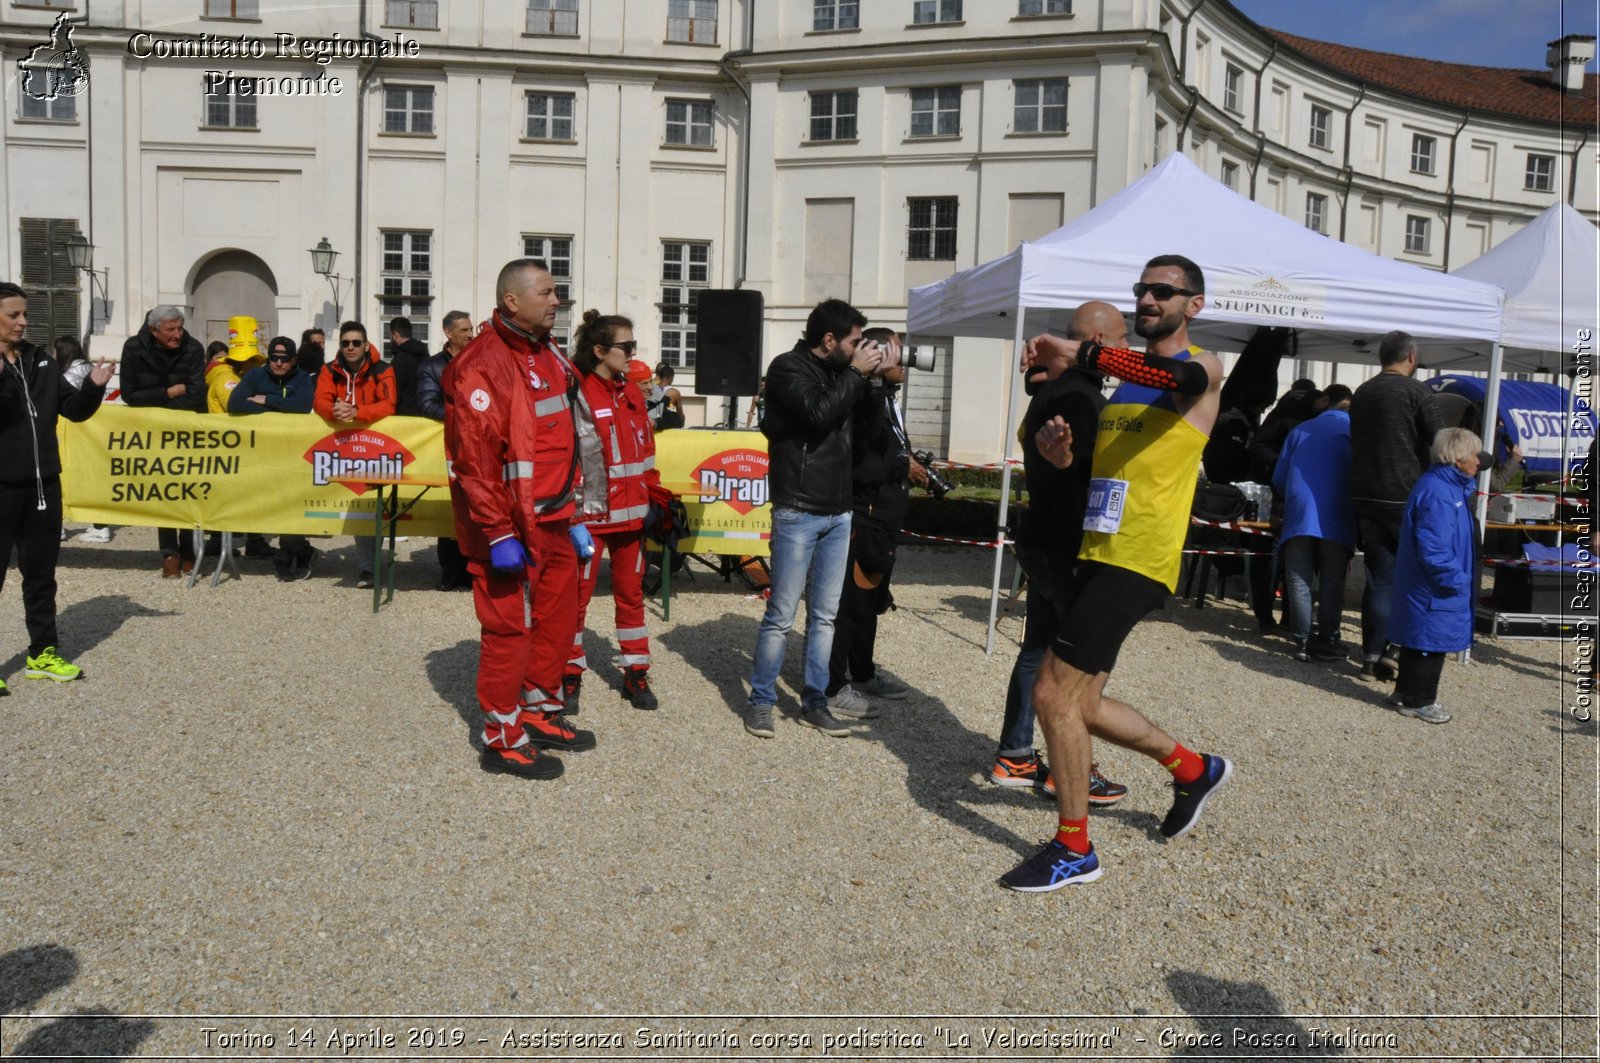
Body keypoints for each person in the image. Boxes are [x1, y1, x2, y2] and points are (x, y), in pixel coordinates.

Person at [999, 254, 1233, 893]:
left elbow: (1174, 372)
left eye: (1165, 290)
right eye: (1143, 289)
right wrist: (1063, 456)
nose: (1150, 298)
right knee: (1084, 704)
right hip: (1098, 552)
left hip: (1139, 558)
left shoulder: (1203, 369)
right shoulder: (1121, 393)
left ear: (1195, 304)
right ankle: (1192, 768)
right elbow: (1108, 475)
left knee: (1050, 694)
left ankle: (1074, 847)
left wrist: (1081, 355)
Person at [443, 258, 595, 781]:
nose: (557, 301)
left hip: (553, 518)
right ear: (512, 301)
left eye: (557, 293)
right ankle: (501, 736)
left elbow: (565, 439)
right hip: (509, 529)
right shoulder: (481, 364)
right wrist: (497, 531)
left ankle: (536, 712)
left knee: (555, 621)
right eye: (548, 293)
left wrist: (572, 512)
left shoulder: (547, 352)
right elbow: (474, 462)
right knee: (509, 631)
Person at [989, 302, 1128, 807]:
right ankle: (1064, 764)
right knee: (1070, 662)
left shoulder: (1062, 392)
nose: (1128, 351)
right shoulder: (1078, 396)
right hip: (1064, 544)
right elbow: (1075, 481)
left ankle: (1017, 754)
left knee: (1040, 648)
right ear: (1095, 339)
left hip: (1047, 538)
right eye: (1121, 340)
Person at [744, 297, 890, 740]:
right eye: (853, 341)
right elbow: (819, 413)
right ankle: (761, 701)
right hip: (799, 507)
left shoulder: (844, 375)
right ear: (829, 340)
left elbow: (872, 432)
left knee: (825, 615)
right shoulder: (788, 368)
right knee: (782, 614)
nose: (861, 348)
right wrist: (855, 375)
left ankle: (814, 702)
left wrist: (877, 383)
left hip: (838, 511)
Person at [0, 282, 113, 692]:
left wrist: (95, 386)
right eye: (13, 315)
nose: (23, 322)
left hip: (43, 484)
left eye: (24, 314)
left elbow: (75, 411)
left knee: (41, 574)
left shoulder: (40, 360)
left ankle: (42, 653)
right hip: (1, 487)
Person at [565, 310, 670, 712]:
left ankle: (635, 673)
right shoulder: (576, 393)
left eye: (633, 345)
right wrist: (573, 517)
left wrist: (654, 500)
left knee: (631, 598)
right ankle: (568, 675)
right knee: (575, 600)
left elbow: (644, 454)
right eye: (625, 346)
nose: (632, 353)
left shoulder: (631, 394)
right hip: (590, 519)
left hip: (631, 518)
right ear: (599, 350)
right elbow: (568, 461)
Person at [823, 328, 925, 720]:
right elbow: (864, 458)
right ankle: (834, 684)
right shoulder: (865, 397)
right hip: (864, 514)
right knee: (850, 603)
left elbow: (890, 446)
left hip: (886, 514)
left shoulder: (887, 399)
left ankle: (863, 672)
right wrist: (902, 464)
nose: (907, 362)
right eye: (898, 353)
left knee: (872, 600)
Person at [1348, 330, 1445, 682]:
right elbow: (1442, 441)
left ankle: (1370, 658)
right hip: (1405, 496)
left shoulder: (1362, 392)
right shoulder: (1417, 391)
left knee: (1379, 580)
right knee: (1417, 578)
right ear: (1412, 357)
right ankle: (1397, 650)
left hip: (1366, 494)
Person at [1387, 427, 1484, 724]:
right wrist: (1457, 580)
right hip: (1434, 585)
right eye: (1474, 456)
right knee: (1430, 644)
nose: (1478, 462)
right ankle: (1420, 700)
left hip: (1429, 584)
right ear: (1457, 459)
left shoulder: (1445, 488)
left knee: (1421, 640)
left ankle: (1405, 692)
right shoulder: (1440, 494)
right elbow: (1434, 549)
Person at [120, 305, 206, 577]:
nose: (178, 334)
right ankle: (170, 553)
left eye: (180, 328)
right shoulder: (133, 348)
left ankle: (191, 551)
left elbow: (195, 396)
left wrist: (157, 401)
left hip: (186, 430)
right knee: (164, 490)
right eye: (171, 329)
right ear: (154, 330)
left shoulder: (193, 348)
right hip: (152, 433)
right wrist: (169, 392)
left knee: (189, 489)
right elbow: (130, 395)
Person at [1272, 383, 1355, 663]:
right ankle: (1328, 640)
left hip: (1299, 512)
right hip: (1338, 513)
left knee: (1298, 578)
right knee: (1332, 580)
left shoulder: (1300, 430)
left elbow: (1279, 478)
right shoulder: (1354, 433)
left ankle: (1302, 641)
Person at [313, 321, 397, 589]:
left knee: (371, 506)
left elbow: (389, 404)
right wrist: (334, 412)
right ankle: (367, 567)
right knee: (355, 506)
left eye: (356, 343)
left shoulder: (383, 369)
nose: (350, 347)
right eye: (346, 343)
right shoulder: (329, 369)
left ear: (366, 344)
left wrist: (357, 412)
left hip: (374, 445)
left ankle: (369, 567)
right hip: (341, 446)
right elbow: (320, 400)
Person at [230, 335, 319, 581]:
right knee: (267, 503)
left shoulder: (302, 377)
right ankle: (300, 550)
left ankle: (289, 551)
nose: (278, 363)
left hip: (292, 454)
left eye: (284, 359)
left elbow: (302, 406)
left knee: (290, 503)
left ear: (294, 360)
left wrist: (266, 399)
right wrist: (278, 409)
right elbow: (235, 403)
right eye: (274, 358)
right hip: (260, 454)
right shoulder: (256, 375)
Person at [418, 309, 474, 591]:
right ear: (448, 333)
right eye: (464, 330)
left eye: (471, 328)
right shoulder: (432, 367)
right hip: (446, 448)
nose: (470, 334)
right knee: (450, 510)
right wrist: (464, 416)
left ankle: (474, 571)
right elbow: (427, 404)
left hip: (475, 448)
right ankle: (451, 573)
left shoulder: (480, 361)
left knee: (476, 508)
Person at [53, 336, 113, 545]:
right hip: (89, 432)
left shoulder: (71, 372)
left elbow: (61, 398)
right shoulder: (87, 367)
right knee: (92, 477)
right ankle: (99, 524)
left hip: (75, 433)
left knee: (66, 479)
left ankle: (59, 525)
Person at [387, 316, 429, 417]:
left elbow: (394, 395)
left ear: (395, 334)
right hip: (425, 417)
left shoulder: (399, 360)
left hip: (404, 419)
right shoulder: (426, 356)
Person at [647, 362, 684, 431]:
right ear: (670, 378)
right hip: (664, 424)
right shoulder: (674, 392)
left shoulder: (650, 388)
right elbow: (680, 412)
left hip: (651, 421)